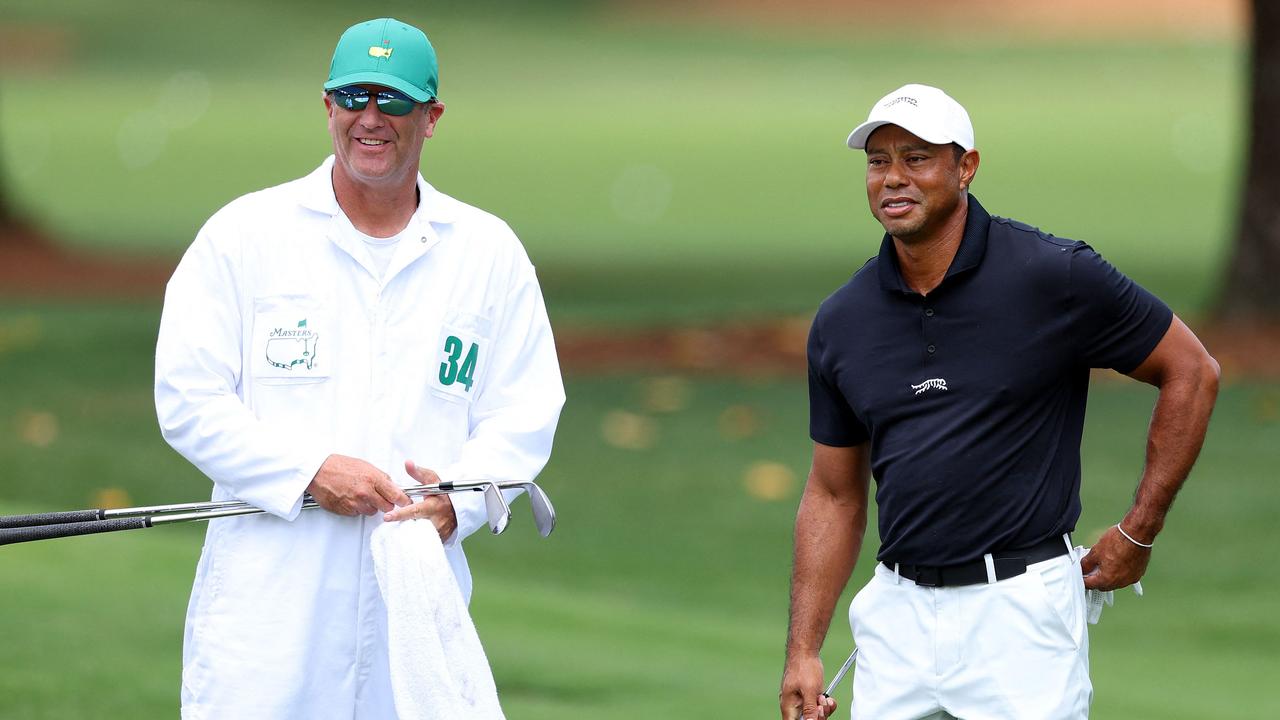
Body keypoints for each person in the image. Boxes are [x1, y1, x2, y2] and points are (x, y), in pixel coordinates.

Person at [154, 17, 564, 718]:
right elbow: (188, 399)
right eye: (354, 98)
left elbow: (525, 411)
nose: (371, 119)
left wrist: (457, 504)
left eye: (395, 101)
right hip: (268, 620)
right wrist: (309, 470)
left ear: (431, 118)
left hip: (413, 616)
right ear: (327, 107)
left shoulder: (487, 254)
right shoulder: (244, 237)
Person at [779, 84, 1219, 720]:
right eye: (879, 161)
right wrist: (803, 650)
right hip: (896, 615)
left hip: (1020, 615)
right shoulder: (843, 320)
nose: (893, 178)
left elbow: (1192, 371)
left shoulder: (1053, 275)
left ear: (966, 167)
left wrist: (1139, 530)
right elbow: (834, 494)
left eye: (917, 158)